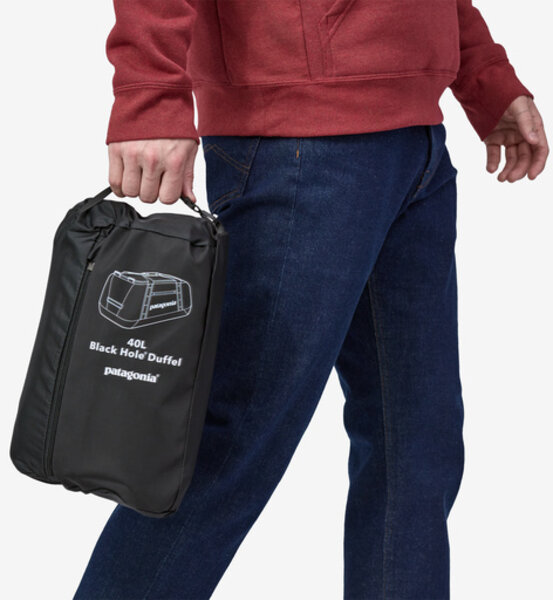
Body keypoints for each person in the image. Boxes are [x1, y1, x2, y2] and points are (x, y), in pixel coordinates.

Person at [74, 1, 549, 599]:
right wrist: (149, 97)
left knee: (417, 445)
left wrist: (485, 77)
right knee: (233, 441)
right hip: (297, 140)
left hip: (418, 147)